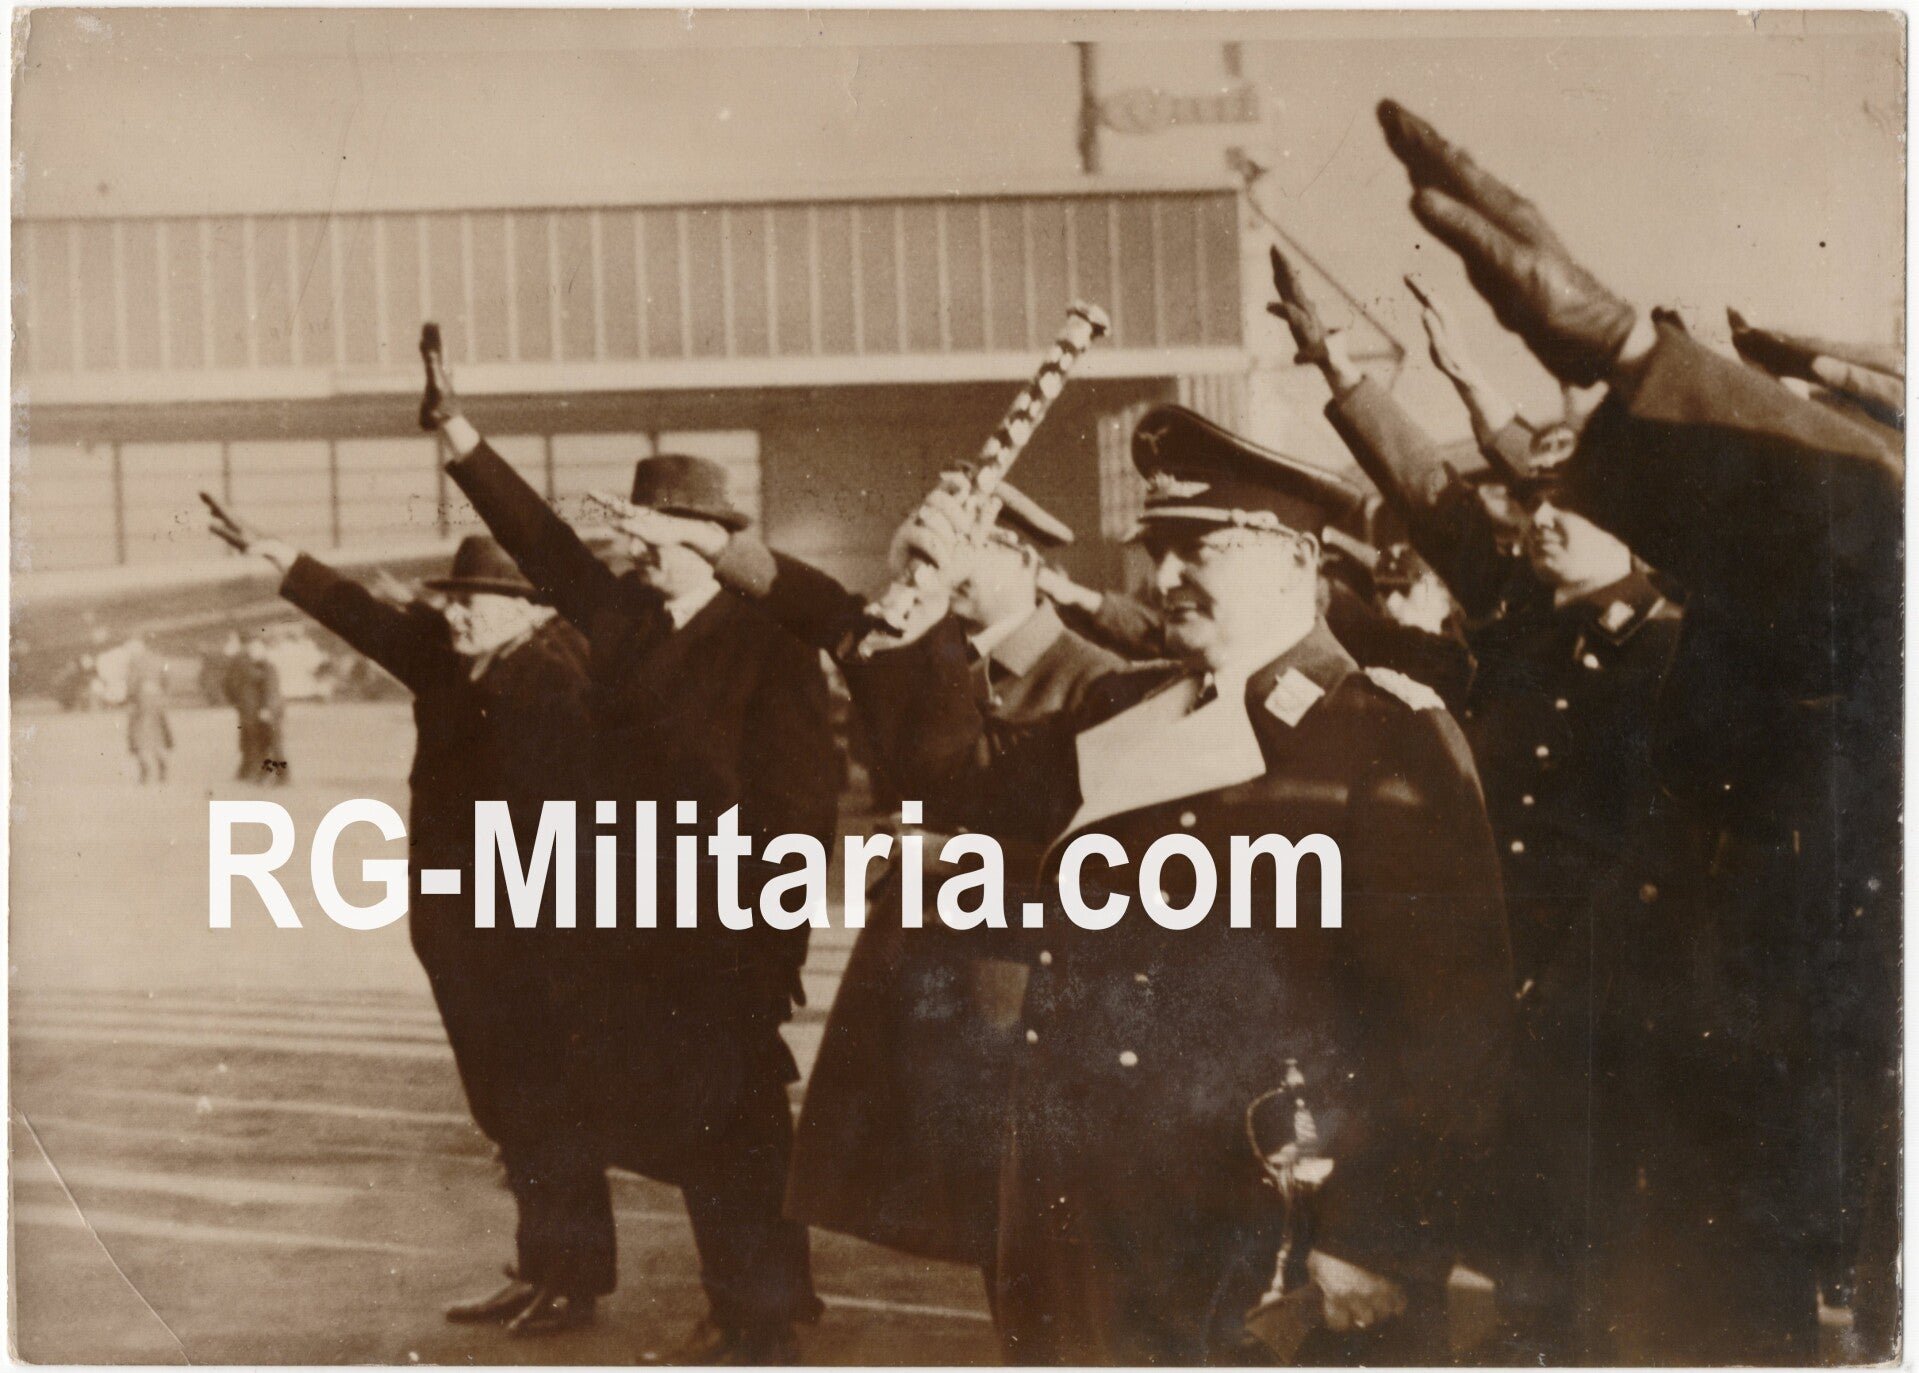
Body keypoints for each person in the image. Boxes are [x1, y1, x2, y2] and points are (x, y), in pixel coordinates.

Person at [665, 406, 1513, 1363]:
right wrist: (923, 600)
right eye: (1159, 547)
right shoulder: (1126, 706)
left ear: (1297, 562)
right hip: (1085, 1198)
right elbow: (952, 787)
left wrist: (1376, 1236)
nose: (1169, 574)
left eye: (1206, 546)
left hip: (1260, 1215)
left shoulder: (1382, 731)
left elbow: (1449, 1021)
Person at [1375, 96, 1901, 1362]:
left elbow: (1865, 530)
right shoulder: (1746, 644)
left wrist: (1624, 356)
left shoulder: (1815, 611)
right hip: (1663, 1099)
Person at [1268, 240, 1682, 1358]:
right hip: (1514, 1009)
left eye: (1567, 503)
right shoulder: (1529, 626)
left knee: (1600, 1280)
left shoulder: (1684, 655)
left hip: (1619, 1028)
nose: (1537, 518)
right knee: (1514, 1278)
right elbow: (1437, 502)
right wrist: (1340, 372)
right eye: (1533, 498)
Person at [424, 361, 838, 1365]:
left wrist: (769, 933)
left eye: (654, 536)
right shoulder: (632, 624)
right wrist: (464, 444)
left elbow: (801, 806)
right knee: (699, 1128)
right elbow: (547, 550)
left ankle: (762, 1314)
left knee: (737, 1129)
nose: (631, 551)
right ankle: (740, 1300)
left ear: (701, 540)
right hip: (644, 934)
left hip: (727, 936)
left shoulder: (766, 639)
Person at [614, 480, 1124, 1284]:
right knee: (993, 1234)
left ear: (1024, 558)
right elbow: (822, 609)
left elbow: (1106, 867)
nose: (932, 571)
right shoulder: (930, 660)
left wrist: (956, 856)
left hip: (1031, 995)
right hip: (940, 989)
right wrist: (716, 547)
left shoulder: (1096, 680)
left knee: (1049, 1238)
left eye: (959, 550)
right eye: (920, 554)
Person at [205, 501, 607, 1337]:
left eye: (477, 599)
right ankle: (541, 1266)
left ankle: (572, 1280)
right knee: (505, 1104)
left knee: (543, 1103)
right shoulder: (460, 658)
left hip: (525, 935)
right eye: (455, 597)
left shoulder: (552, 676)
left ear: (531, 608)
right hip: (465, 930)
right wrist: (282, 553)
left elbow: (567, 826)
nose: (456, 611)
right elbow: (365, 618)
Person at [227, 631, 288, 785]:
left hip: (268, 711)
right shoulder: (259, 667)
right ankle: (265, 774)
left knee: (273, 744)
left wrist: (267, 709)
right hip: (259, 711)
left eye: (255, 650)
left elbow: (270, 690)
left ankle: (282, 776)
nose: (252, 653)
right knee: (262, 743)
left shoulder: (266, 668)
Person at [123, 636, 173, 785]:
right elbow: (167, 679)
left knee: (139, 737)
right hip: (157, 702)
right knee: (157, 736)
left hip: (141, 702)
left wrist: (129, 699)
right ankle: (162, 766)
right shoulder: (158, 659)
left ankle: (144, 770)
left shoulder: (135, 662)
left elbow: (132, 683)